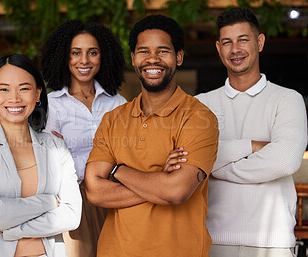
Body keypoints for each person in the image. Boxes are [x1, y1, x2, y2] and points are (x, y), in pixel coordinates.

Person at [84, 15, 219, 257]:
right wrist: (159, 180)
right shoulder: (113, 119)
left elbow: (176, 191)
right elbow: (94, 191)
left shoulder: (199, 118)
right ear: (134, 59)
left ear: (178, 57)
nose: (152, 59)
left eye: (163, 51)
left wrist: (118, 171)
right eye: (143, 51)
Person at [195, 7, 307, 257]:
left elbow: (284, 161)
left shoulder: (288, 99)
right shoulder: (200, 105)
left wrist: (216, 166)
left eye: (243, 40)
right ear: (218, 48)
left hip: (273, 241)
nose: (235, 49)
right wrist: (253, 146)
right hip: (213, 240)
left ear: (260, 42)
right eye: (227, 42)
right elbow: (190, 158)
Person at [0, 53, 82, 257]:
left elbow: (71, 216)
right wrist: (49, 202)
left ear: (38, 93)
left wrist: (10, 227)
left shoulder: (56, 147)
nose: (14, 98)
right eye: (4, 89)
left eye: (24, 88)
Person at [40, 20, 127, 257]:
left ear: (103, 57)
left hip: (116, 198)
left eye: (93, 53)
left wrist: (67, 151)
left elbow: (128, 154)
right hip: (73, 199)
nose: (84, 61)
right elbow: (50, 161)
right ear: (63, 57)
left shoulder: (117, 103)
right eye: (75, 53)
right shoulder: (53, 105)